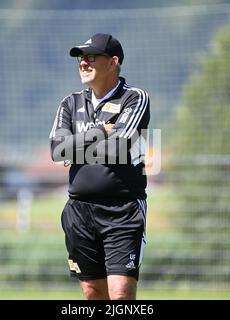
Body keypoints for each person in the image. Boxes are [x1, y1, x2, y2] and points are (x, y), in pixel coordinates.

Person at [49, 33, 150, 300]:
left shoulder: (135, 99)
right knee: (93, 293)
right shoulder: (70, 103)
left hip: (122, 211)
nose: (83, 63)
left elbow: (120, 146)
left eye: (91, 57)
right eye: (81, 58)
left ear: (113, 62)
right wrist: (100, 133)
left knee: (120, 294)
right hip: (79, 212)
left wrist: (76, 146)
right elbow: (57, 150)